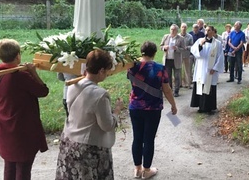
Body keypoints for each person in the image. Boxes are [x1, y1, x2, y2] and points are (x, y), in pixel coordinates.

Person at [56, 49, 121, 180]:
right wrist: (117, 111)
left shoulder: (73, 86)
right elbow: (107, 126)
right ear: (101, 70)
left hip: (69, 142)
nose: (107, 74)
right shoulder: (100, 95)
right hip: (89, 150)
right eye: (107, 71)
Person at [0, 39, 49, 180]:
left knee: (9, 165)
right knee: (23, 168)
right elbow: (43, 91)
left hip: (4, 129)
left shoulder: (1, 73)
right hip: (23, 131)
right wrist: (33, 72)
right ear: (18, 56)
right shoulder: (21, 76)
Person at [127, 41, 177, 179]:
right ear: (155, 53)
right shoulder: (160, 68)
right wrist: (173, 104)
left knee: (137, 138)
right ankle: (147, 170)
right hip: (153, 108)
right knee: (149, 139)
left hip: (135, 107)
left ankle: (137, 169)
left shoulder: (131, 67)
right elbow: (166, 90)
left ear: (141, 51)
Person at [190, 26, 224, 114]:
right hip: (201, 68)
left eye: (209, 30)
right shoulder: (200, 40)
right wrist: (200, 45)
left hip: (210, 70)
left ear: (213, 32)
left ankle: (209, 106)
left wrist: (215, 68)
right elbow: (194, 51)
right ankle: (200, 106)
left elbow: (220, 57)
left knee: (209, 87)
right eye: (206, 30)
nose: (207, 32)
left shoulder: (218, 43)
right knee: (200, 86)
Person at [160, 24, 186, 97]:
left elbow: (183, 49)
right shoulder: (166, 37)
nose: (172, 31)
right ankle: (169, 90)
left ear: (177, 31)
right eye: (171, 29)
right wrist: (164, 48)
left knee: (177, 76)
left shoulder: (181, 38)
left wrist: (177, 48)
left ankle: (176, 91)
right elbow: (160, 46)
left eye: (174, 30)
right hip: (167, 59)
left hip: (176, 60)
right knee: (168, 76)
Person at [179, 23, 193, 88]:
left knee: (187, 70)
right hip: (178, 55)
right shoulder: (178, 36)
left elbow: (192, 45)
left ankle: (188, 83)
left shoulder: (190, 36)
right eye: (182, 27)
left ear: (186, 28)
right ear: (180, 28)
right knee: (179, 69)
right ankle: (180, 83)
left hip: (187, 55)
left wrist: (187, 47)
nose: (183, 28)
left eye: (185, 27)